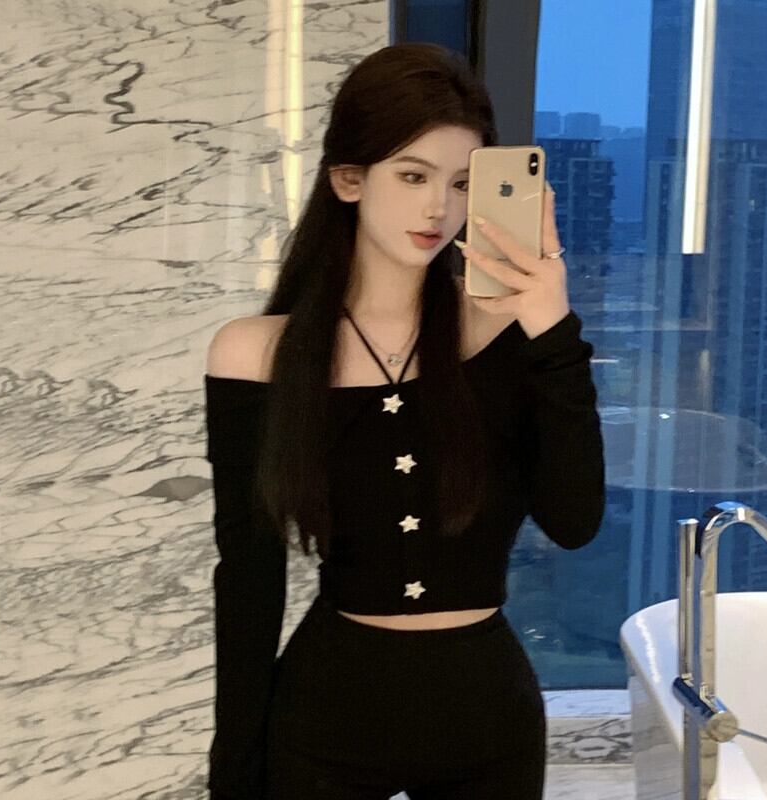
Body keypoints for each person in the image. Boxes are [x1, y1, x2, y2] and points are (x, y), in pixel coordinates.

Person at [204, 42, 605, 800]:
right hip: (326, 715)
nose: (438, 209)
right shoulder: (256, 354)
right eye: (413, 176)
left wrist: (553, 328)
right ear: (348, 178)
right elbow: (250, 578)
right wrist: (233, 772)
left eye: (461, 184)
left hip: (486, 721)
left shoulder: (510, 338)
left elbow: (575, 520)